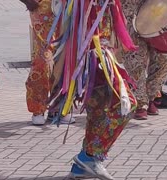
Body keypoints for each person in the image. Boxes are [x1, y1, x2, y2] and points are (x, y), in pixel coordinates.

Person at [47, 0, 137, 179]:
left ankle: (80, 169)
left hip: (94, 53)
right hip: (93, 55)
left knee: (97, 111)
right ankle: (88, 157)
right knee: (126, 105)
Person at [19, 0, 76, 125]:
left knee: (64, 57)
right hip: (42, 7)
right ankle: (38, 108)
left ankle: (59, 108)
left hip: (68, 7)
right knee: (43, 60)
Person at [121, 0, 167, 120]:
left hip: (154, 11)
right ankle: (140, 103)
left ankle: (149, 97)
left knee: (164, 60)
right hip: (131, 11)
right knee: (135, 61)